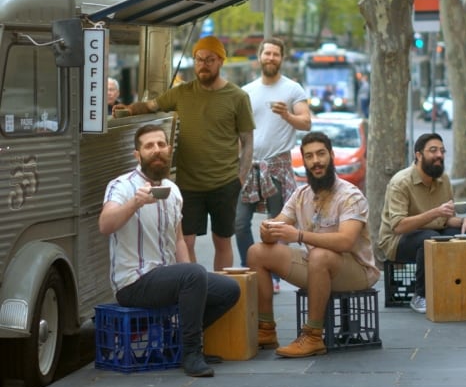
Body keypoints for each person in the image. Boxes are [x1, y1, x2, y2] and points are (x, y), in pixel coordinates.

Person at [98, 123, 241, 377]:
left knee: (229, 289)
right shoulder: (122, 186)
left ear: (169, 150)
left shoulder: (173, 190)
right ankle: (191, 352)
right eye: (149, 146)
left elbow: (178, 241)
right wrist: (135, 203)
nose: (156, 151)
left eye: (161, 145)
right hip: (133, 281)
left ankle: (174, 342)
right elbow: (105, 225)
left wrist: (187, 270)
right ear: (137, 154)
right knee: (193, 274)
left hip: (165, 277)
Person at [113, 35, 255, 270]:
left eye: (210, 59)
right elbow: (152, 106)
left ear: (220, 61)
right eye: (199, 59)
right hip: (189, 184)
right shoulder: (181, 93)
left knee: (222, 241)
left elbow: (248, 141)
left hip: (225, 182)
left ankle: (221, 294)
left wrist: (241, 178)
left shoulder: (238, 97)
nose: (203, 65)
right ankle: (200, 286)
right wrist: (128, 110)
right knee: (186, 241)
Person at [247, 131, 379, 358]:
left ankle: (314, 336)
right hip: (318, 267)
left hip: (356, 270)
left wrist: (298, 235)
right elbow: (278, 225)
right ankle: (266, 329)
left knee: (319, 255)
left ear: (331, 155)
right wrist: (268, 230)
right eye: (309, 156)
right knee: (257, 253)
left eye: (321, 154)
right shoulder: (301, 194)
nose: (316, 161)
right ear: (304, 161)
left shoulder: (350, 195)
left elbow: (346, 241)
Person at [235, 38, 311, 287]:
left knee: (277, 223)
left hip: (277, 166)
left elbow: (306, 122)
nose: (270, 58)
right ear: (259, 57)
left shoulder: (293, 89)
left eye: (275, 54)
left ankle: (275, 274)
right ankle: (252, 271)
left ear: (282, 58)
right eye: (267, 53)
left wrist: (287, 115)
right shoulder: (246, 91)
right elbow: (239, 132)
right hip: (249, 166)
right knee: (239, 222)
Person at [378, 132, 466, 315]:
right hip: (397, 240)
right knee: (429, 239)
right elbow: (398, 226)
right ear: (418, 155)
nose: (439, 155)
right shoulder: (401, 182)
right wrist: (435, 213)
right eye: (433, 151)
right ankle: (420, 295)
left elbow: (447, 219)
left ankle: (460, 291)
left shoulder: (443, 180)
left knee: (461, 235)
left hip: (432, 233)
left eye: (442, 151)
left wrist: (465, 220)